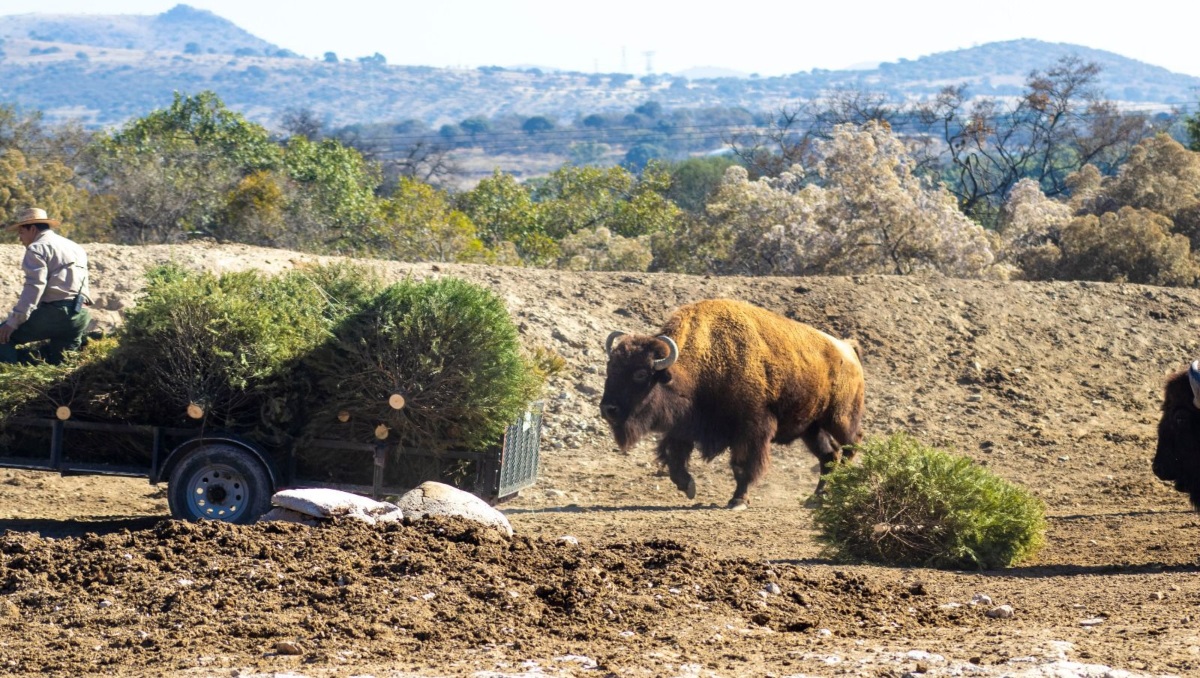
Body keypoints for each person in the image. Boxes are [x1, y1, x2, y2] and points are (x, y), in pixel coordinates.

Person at [0, 207, 92, 365]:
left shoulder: (37, 248)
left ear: (32, 229)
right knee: (62, 366)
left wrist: (13, 322)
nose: (20, 238)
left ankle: (9, 376)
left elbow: (35, 286)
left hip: (56, 313)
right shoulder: (76, 247)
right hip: (80, 314)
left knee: (2, 337)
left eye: (21, 232)